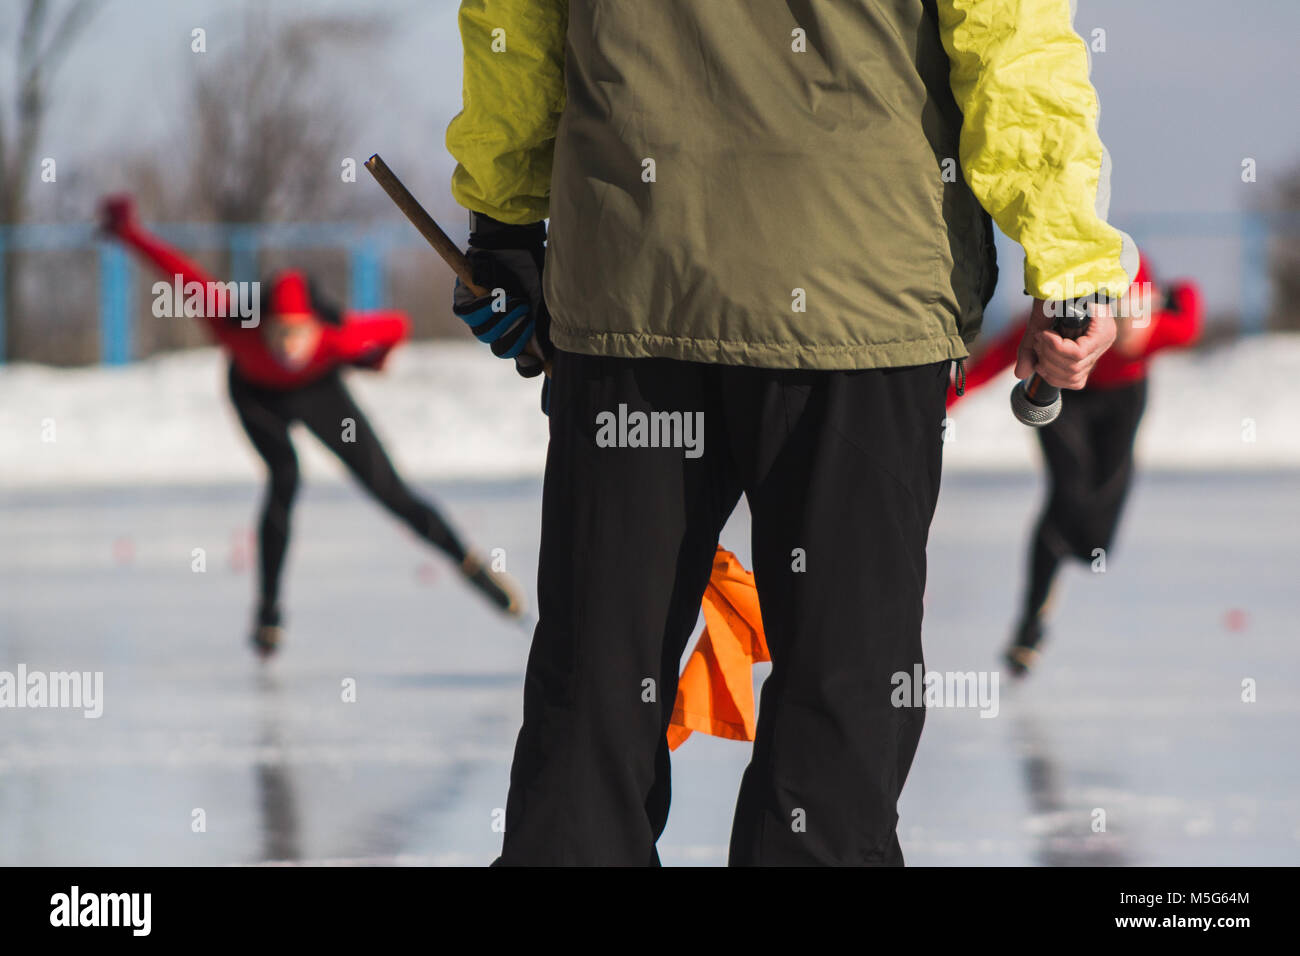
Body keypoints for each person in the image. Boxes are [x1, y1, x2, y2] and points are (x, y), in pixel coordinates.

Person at [447, 0, 1137, 865]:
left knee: (597, 690)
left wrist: (505, 217)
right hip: (861, 292)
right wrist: (1070, 259)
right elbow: (1012, 38)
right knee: (839, 697)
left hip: (636, 281)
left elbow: (516, 20)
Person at [98, 195, 524, 657]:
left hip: (319, 390)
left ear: (314, 328)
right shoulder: (230, 322)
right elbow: (179, 273)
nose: (287, 346)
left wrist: (370, 359)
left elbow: (396, 326)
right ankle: (268, 613)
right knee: (285, 476)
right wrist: (127, 232)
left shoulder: (335, 336)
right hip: (255, 394)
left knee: (388, 489)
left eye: (297, 333)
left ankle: (473, 567)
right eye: (278, 333)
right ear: (261, 325)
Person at [947, 254, 1203, 675]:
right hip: (1066, 396)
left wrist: (1171, 299)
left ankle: (1069, 552)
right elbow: (992, 362)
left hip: (1123, 400)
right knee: (1067, 495)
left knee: (1094, 543)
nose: (1121, 337)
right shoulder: (1067, 325)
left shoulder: (1160, 330)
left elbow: (1191, 308)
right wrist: (938, 410)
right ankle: (1030, 624)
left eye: (1135, 323)